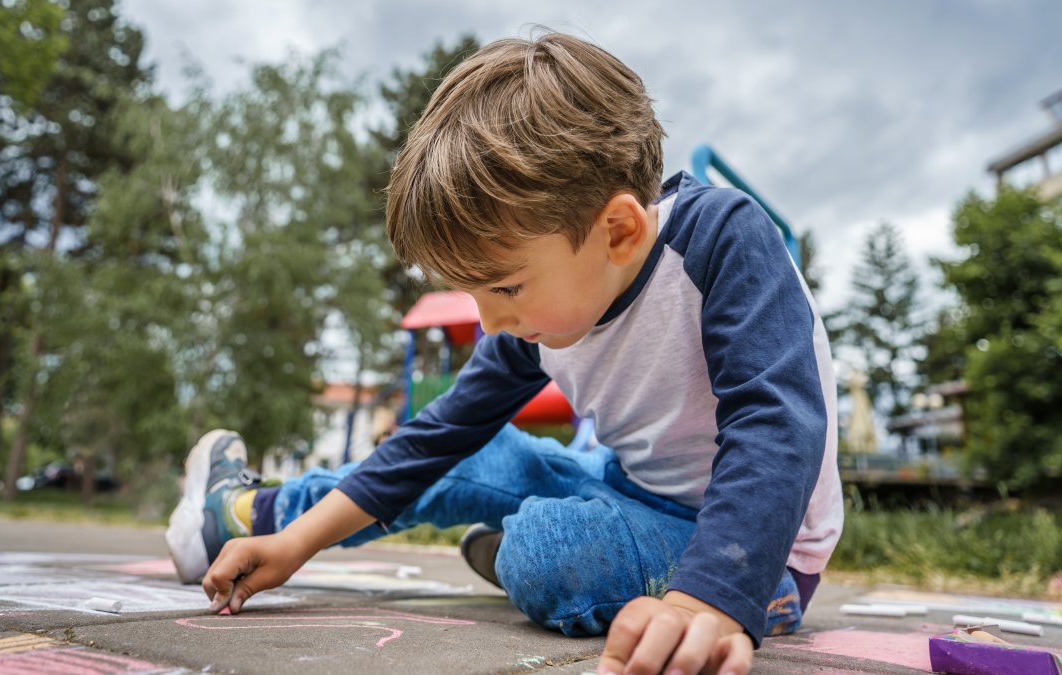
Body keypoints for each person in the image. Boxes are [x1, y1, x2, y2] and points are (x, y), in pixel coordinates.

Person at [165, 31, 842, 675]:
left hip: (760, 546)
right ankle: (244, 518)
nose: (491, 320)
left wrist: (715, 596)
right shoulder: (531, 319)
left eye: (506, 285)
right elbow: (435, 438)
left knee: (548, 550)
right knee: (475, 454)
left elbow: (776, 423)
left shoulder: (723, 243)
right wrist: (299, 546)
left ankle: (565, 554)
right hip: (627, 488)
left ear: (619, 231)